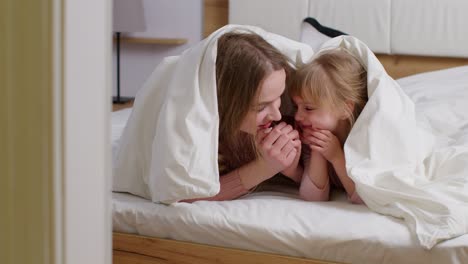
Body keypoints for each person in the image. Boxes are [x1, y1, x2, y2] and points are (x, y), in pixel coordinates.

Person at [183, 32, 303, 202]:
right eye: (261, 107)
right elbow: (181, 192)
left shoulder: (291, 115)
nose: (277, 114)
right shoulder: (198, 129)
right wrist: (264, 168)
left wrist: (293, 170)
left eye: (279, 97)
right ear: (227, 103)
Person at [290, 48, 368, 204]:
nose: (297, 116)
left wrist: (336, 157)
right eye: (296, 106)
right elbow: (313, 198)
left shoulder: (363, 138)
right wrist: (318, 151)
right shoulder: (307, 134)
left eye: (308, 108)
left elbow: (366, 198)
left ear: (345, 109)